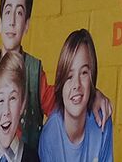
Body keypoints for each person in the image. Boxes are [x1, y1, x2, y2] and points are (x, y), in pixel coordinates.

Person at [0, 0, 112, 157]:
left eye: (19, 13)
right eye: (8, 12)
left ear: (27, 24)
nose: (12, 21)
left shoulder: (35, 74)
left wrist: (93, 95)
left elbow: (66, 103)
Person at [39, 29, 113, 162]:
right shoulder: (50, 135)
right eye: (69, 76)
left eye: (84, 73)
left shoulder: (101, 122)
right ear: (61, 83)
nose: (76, 84)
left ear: (92, 77)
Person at [0, 47, 32, 162]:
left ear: (22, 105)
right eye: (1, 100)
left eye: (12, 98)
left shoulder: (32, 158)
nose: (6, 111)